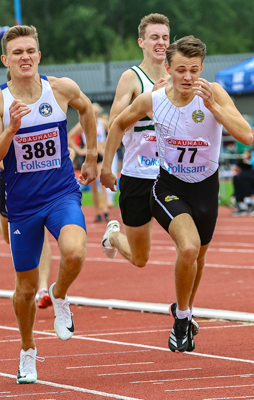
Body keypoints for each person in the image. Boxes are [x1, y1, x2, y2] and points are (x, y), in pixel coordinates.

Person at [105, 35, 252, 352]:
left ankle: (183, 312)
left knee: (198, 257)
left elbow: (246, 136)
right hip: (169, 187)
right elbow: (117, 124)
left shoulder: (214, 94)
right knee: (188, 248)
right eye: (182, 70)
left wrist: (214, 107)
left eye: (194, 70)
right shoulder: (153, 100)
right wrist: (105, 166)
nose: (188, 77)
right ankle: (183, 319)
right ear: (168, 69)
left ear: (201, 70)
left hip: (206, 188)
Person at [0, 25, 98, 384]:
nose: (25, 57)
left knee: (75, 252)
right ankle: (27, 349)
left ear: (39, 55)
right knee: (26, 290)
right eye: (17, 52)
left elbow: (87, 109)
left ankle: (60, 293)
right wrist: (11, 128)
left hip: (61, 193)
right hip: (23, 206)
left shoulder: (60, 88)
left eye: (30, 50)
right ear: (6, 60)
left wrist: (92, 155)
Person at [100, 13, 170, 267]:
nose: (161, 43)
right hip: (138, 174)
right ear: (141, 42)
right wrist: (147, 101)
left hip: (170, 175)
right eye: (154, 37)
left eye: (165, 37)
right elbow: (114, 124)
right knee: (140, 258)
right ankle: (113, 237)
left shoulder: (177, 77)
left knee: (190, 239)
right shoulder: (132, 78)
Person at [0, 162, 53, 309]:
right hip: (11, 179)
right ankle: (0, 218)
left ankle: (43, 289)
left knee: (41, 230)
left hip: (38, 178)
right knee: (10, 238)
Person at [68, 103, 110, 222]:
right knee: (93, 186)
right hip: (90, 156)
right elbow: (70, 137)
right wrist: (80, 150)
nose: (95, 114)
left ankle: (105, 210)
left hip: (100, 155)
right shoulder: (83, 123)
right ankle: (97, 212)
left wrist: (106, 148)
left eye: (96, 112)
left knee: (102, 182)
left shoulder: (103, 123)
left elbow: (114, 134)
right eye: (93, 112)